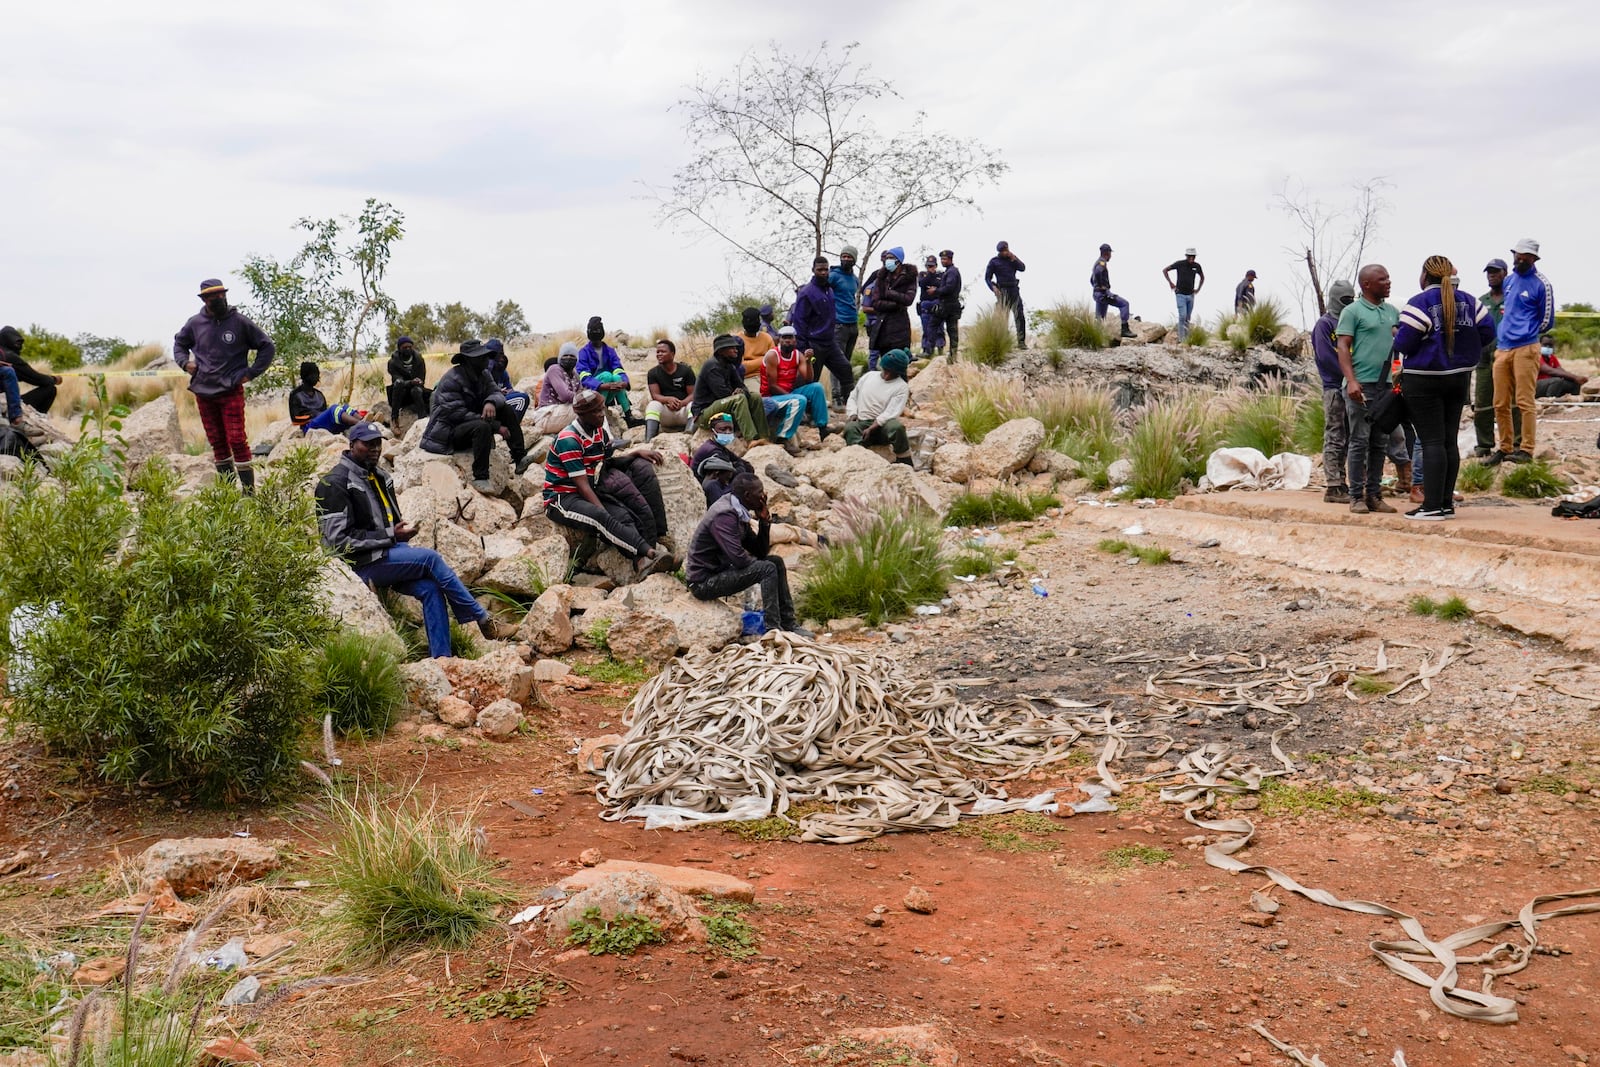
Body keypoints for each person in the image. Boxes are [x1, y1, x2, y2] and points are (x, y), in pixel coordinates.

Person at [316, 422, 515, 657]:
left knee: (431, 588)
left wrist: (400, 532)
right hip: (360, 564)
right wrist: (391, 535)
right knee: (430, 559)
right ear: (351, 445)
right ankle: (483, 620)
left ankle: (442, 660)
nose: (375, 449)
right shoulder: (334, 483)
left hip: (385, 554)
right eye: (368, 444)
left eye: (378, 443)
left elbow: (384, 522)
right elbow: (337, 542)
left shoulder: (378, 476)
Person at [1392, 256, 1499, 520]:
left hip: (1424, 379)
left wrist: (1402, 336)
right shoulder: (1470, 301)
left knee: (1430, 441)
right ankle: (1445, 504)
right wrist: (1464, 351)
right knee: (1448, 440)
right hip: (1459, 378)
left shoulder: (1419, 303)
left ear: (1425, 276)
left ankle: (1431, 507)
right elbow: (1488, 332)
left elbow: (1404, 344)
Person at [541, 391, 674, 576]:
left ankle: (642, 563)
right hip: (562, 498)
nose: (601, 414)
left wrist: (635, 454)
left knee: (623, 515)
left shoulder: (599, 433)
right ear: (582, 415)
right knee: (600, 517)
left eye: (601, 409)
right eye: (596, 412)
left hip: (587, 489)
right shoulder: (569, 440)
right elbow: (582, 485)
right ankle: (650, 553)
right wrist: (603, 512)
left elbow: (606, 461)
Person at [173, 278, 276, 492]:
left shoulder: (240, 322)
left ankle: (249, 493)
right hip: (203, 391)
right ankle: (228, 493)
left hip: (230, 390)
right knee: (217, 442)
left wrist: (251, 373)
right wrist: (185, 363)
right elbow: (180, 344)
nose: (218, 298)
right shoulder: (194, 323)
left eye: (220, 294)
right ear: (205, 299)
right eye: (212, 296)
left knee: (237, 440)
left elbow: (267, 346)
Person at [685, 472, 811, 637]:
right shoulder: (724, 515)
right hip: (703, 582)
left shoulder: (738, 510)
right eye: (760, 493)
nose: (764, 496)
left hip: (721, 570)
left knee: (776, 562)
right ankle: (773, 630)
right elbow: (738, 559)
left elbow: (759, 551)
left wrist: (764, 522)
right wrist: (761, 567)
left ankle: (789, 624)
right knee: (767, 568)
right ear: (747, 496)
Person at [419, 338, 534, 492]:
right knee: (483, 426)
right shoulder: (451, 380)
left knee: (505, 409)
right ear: (469, 360)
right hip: (449, 433)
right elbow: (457, 414)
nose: (486, 359)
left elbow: (496, 393)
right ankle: (480, 477)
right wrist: (496, 427)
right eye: (482, 357)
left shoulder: (484, 374)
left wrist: (490, 402)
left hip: (471, 422)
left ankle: (519, 457)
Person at [1335, 265, 1401, 515]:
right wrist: (1351, 380)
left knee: (1379, 442)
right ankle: (1356, 497)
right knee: (1359, 441)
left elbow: (1401, 339)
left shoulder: (1392, 311)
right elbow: (1343, 346)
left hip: (1385, 387)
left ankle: (1374, 495)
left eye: (1388, 277)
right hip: (1361, 385)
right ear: (1366, 285)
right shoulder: (1352, 312)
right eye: (1382, 279)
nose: (1388, 282)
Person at [1488, 239, 1555, 466]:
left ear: (1534, 258)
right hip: (1503, 347)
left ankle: (1526, 449)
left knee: (1525, 400)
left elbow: (1547, 320)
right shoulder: (1509, 280)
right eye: (1518, 254)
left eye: (1526, 255)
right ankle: (1504, 447)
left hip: (1526, 347)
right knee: (1499, 402)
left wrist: (1526, 333)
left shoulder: (1541, 284)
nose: (1521, 258)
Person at [1311, 280, 1357, 503]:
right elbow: (1326, 356)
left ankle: (1343, 481)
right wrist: (1348, 374)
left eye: (1351, 298)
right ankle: (1333, 485)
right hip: (1334, 387)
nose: (1349, 303)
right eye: (1345, 299)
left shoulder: (1352, 322)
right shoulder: (1325, 325)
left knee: (1348, 437)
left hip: (1352, 386)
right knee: (1335, 435)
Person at [792, 257, 854, 408]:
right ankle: (806, 412)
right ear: (813, 270)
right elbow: (799, 322)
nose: (823, 272)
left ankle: (853, 406)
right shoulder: (806, 293)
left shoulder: (829, 290)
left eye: (826, 269)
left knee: (846, 370)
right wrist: (803, 349)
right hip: (813, 344)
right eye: (820, 269)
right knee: (810, 380)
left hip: (830, 342)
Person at [690, 334, 770, 442]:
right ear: (721, 351)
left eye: (736, 347)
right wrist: (738, 394)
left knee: (755, 397)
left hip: (722, 405)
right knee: (739, 399)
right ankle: (751, 439)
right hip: (704, 413)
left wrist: (742, 391)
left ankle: (764, 438)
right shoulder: (712, 367)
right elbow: (722, 394)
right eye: (732, 348)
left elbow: (741, 386)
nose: (736, 350)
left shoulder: (729, 366)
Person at [843, 348, 912, 465]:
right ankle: (859, 459)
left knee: (896, 427)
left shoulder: (901, 387)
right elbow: (853, 396)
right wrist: (853, 414)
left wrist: (871, 428)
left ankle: (904, 460)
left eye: (892, 373)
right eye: (886, 370)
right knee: (850, 428)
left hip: (882, 428)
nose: (887, 375)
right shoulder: (869, 376)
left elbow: (890, 412)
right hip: (862, 424)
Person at [763, 326, 831, 443]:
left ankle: (823, 428)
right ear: (779, 340)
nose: (787, 341)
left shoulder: (797, 355)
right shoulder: (772, 356)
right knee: (800, 400)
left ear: (795, 340)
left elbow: (809, 379)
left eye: (790, 337)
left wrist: (808, 361)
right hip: (771, 398)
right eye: (784, 338)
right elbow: (772, 386)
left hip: (789, 394)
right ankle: (783, 438)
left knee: (817, 388)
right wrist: (793, 398)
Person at [576, 316, 638, 426]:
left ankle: (629, 415)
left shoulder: (610, 351)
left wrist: (624, 382)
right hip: (593, 391)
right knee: (606, 375)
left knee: (617, 378)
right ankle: (600, 413)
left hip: (609, 388)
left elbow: (618, 368)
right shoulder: (583, 352)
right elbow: (584, 376)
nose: (596, 333)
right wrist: (602, 385)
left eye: (598, 330)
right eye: (593, 330)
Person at [1473, 259, 1508, 455]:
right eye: (1489, 272)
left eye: (1495, 272)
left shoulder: (1511, 299)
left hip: (1505, 353)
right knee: (1483, 400)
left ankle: (1513, 442)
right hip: (1484, 356)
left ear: (1505, 273)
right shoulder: (1481, 301)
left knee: (1509, 402)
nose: (1491, 275)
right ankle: (1484, 444)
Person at [863, 247, 918, 357]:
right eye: (886, 258)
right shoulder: (881, 276)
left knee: (899, 359)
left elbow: (908, 299)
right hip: (883, 324)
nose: (888, 261)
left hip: (900, 326)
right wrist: (895, 304)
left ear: (898, 260)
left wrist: (890, 293)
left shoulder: (909, 276)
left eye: (891, 258)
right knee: (885, 359)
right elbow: (876, 302)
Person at [0, 326, 64, 417]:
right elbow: (37, 379)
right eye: (17, 343)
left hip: (6, 402)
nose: (19, 346)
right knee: (50, 389)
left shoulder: (3, 355)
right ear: (8, 341)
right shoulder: (9, 356)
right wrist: (54, 379)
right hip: (6, 405)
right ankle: (37, 418)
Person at [691, 412, 755, 500]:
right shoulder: (712, 449)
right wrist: (739, 466)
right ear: (713, 431)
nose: (727, 432)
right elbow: (731, 471)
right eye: (723, 429)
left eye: (730, 429)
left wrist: (739, 465)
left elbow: (743, 463)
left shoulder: (719, 446)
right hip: (705, 489)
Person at [290, 361, 364, 434]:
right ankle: (361, 424)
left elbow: (324, 413)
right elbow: (295, 420)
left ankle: (364, 420)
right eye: (314, 374)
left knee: (345, 407)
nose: (317, 377)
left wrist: (322, 416)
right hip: (309, 427)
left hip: (324, 424)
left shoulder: (319, 394)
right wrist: (312, 416)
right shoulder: (296, 394)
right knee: (334, 409)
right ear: (305, 376)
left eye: (317, 374)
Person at [644, 338, 696, 440]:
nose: (659, 354)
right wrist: (668, 399)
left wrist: (682, 403)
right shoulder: (653, 373)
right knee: (653, 405)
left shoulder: (686, 371)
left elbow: (693, 394)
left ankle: (689, 435)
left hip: (683, 412)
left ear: (672, 354)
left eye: (663, 351)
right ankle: (649, 440)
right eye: (658, 352)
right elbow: (655, 395)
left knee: (694, 405)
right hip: (666, 413)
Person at [531, 342, 581, 436]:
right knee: (587, 409)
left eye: (572, 356)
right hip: (547, 415)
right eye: (565, 355)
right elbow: (565, 395)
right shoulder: (554, 369)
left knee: (592, 407)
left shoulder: (575, 375)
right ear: (560, 357)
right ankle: (608, 441)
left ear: (576, 359)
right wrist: (583, 397)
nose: (569, 358)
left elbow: (580, 392)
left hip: (563, 412)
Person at [985, 241, 1027, 346]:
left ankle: (1021, 342)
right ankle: (1003, 343)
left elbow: (1022, 268)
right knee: (1003, 318)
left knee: (1019, 316)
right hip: (1002, 291)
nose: (1004, 252)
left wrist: (1014, 259)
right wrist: (993, 287)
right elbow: (987, 278)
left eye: (1006, 250)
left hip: (1014, 290)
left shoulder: (1012, 259)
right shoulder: (994, 261)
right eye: (1002, 251)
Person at [1090, 244, 1135, 339]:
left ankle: (1095, 337)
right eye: (1110, 253)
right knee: (1124, 304)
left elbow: (1091, 279)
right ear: (1107, 253)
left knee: (1100, 318)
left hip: (1097, 294)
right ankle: (1125, 330)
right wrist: (1104, 289)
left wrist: (1096, 288)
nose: (1111, 255)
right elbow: (1098, 273)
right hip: (1103, 294)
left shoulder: (1096, 263)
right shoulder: (1102, 262)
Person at [1162, 249, 1205, 342]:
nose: (1191, 258)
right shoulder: (1180, 264)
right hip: (1180, 294)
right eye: (1190, 256)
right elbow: (1165, 270)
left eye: (1193, 256)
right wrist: (1170, 283)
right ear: (1186, 256)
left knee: (1187, 317)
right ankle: (1182, 339)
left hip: (1191, 295)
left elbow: (1202, 277)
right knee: (1182, 315)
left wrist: (1198, 289)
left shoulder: (1196, 266)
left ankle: (1187, 338)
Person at [484, 339, 531, 423]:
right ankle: (512, 428)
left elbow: (509, 389)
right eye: (499, 353)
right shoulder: (487, 367)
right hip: (488, 402)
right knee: (522, 399)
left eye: (502, 353)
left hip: (500, 399)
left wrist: (507, 392)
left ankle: (510, 425)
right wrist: (498, 392)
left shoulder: (502, 371)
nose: (502, 357)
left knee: (519, 395)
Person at [386, 336, 431, 420]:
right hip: (400, 392)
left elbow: (421, 378)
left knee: (418, 390)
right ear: (399, 348)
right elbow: (397, 380)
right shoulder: (393, 362)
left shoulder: (419, 359)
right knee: (399, 383)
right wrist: (411, 382)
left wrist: (418, 382)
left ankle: (422, 418)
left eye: (410, 347)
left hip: (415, 391)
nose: (408, 349)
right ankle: (394, 418)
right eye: (405, 347)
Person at [830, 245, 861, 365]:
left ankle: (845, 384)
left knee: (846, 362)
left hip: (853, 324)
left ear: (854, 260)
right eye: (844, 256)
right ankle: (835, 385)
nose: (846, 259)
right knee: (838, 362)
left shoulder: (855, 279)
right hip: (839, 324)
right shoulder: (833, 276)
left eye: (849, 257)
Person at [932, 250, 963, 358]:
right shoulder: (948, 271)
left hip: (949, 304)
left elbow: (949, 288)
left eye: (944, 259)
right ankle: (950, 354)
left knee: (949, 329)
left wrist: (936, 291)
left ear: (950, 259)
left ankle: (951, 354)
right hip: (948, 304)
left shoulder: (952, 272)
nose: (942, 261)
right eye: (941, 259)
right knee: (950, 329)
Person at [917, 254, 945, 356]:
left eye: (932, 266)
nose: (930, 268)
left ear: (936, 265)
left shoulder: (941, 275)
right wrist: (930, 275)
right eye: (928, 266)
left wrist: (934, 285)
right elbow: (922, 283)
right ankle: (926, 350)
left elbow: (941, 285)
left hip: (937, 304)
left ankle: (940, 348)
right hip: (925, 305)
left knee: (939, 328)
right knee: (926, 329)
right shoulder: (922, 274)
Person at [737, 307, 776, 382]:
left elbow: (774, 362)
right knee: (761, 394)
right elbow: (742, 368)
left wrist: (750, 363)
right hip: (748, 378)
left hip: (768, 376)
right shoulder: (738, 340)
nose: (752, 325)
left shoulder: (767, 338)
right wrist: (764, 359)